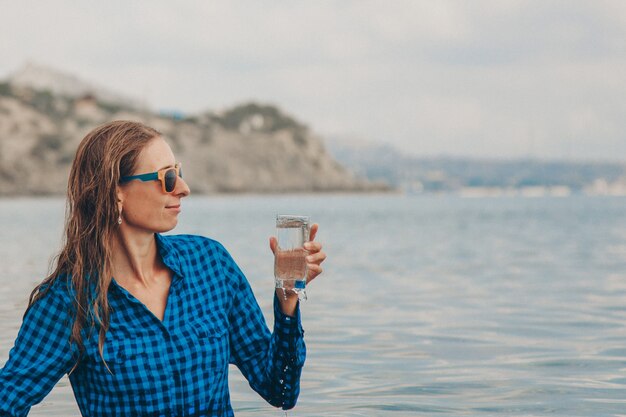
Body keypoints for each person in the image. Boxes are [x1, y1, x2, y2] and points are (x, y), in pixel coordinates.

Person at [0, 120, 326, 417]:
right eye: (167, 178)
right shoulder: (69, 302)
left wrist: (287, 300)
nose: (183, 188)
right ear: (116, 192)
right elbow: (7, 401)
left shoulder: (210, 264)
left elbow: (279, 390)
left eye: (179, 172)